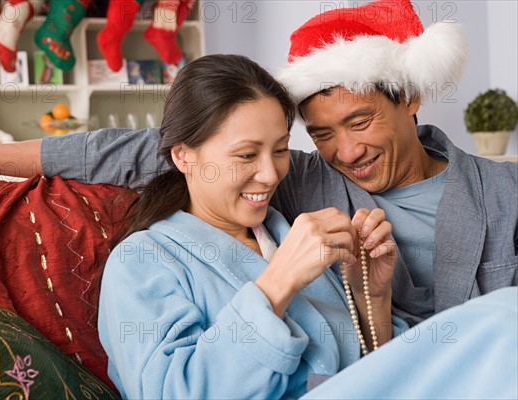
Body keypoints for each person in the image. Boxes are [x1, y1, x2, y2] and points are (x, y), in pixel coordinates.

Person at [0, 0, 517, 327]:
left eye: (360, 123)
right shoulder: (302, 179)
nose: (346, 152)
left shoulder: (505, 186)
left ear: (410, 98)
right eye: (321, 133)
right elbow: (136, 152)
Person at [97, 54, 516, 400]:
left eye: (281, 150)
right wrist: (276, 285)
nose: (269, 175)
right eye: (246, 155)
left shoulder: (286, 233)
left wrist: (373, 295)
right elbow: (170, 392)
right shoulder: (142, 261)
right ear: (183, 156)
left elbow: (375, 367)